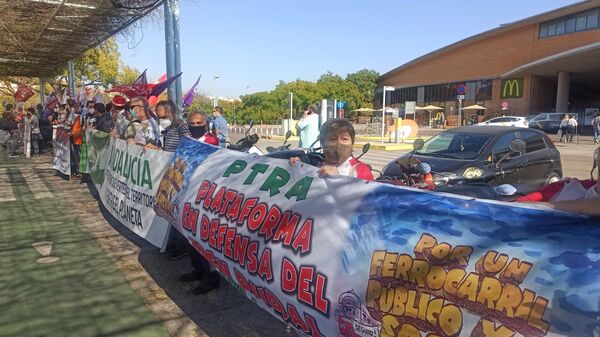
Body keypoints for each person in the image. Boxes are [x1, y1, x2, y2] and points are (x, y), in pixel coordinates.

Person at [290, 118, 374, 181]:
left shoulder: (361, 170)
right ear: (323, 142)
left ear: (352, 142)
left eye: (344, 139)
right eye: (332, 139)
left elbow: (368, 201)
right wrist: (297, 166)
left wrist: (338, 180)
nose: (339, 143)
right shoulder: (314, 163)